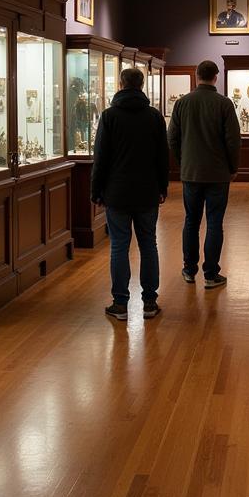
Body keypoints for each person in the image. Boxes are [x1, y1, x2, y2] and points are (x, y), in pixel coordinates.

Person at [91, 66, 169, 321]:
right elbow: (162, 157)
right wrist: (162, 187)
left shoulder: (109, 116)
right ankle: (149, 302)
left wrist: (96, 190)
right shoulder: (154, 116)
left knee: (119, 247)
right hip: (147, 191)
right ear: (142, 85)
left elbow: (100, 158)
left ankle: (120, 303)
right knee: (149, 245)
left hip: (117, 192)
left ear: (122, 84)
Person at [167, 58, 240, 288]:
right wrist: (233, 167)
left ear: (197, 76)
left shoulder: (182, 103)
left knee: (191, 221)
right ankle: (210, 274)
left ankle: (189, 270)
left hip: (191, 173)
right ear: (215, 77)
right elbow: (233, 141)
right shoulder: (224, 104)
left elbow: (172, 138)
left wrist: (183, 162)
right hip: (218, 174)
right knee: (215, 222)